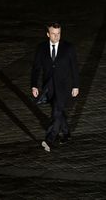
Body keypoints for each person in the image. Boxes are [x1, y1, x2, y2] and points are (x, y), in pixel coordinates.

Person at [31, 22, 79, 152]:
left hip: (64, 85)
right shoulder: (41, 48)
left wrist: (76, 86)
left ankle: (49, 139)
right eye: (53, 34)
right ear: (48, 34)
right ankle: (66, 133)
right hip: (49, 85)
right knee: (58, 111)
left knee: (56, 112)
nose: (56, 37)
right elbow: (36, 68)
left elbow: (74, 67)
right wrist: (34, 85)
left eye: (58, 34)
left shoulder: (68, 48)